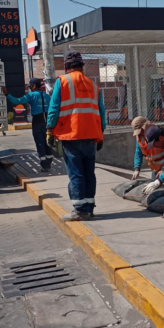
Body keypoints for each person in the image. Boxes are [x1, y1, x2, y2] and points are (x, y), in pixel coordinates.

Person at [46, 50, 106, 221]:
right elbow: (101, 112)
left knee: (76, 174)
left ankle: (79, 210)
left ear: (66, 67)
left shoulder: (62, 81)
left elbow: (54, 106)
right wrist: (101, 134)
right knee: (89, 173)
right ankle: (89, 208)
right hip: (91, 135)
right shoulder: (93, 85)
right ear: (82, 66)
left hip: (71, 135)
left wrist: (50, 129)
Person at [3, 78, 53, 172]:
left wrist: (7, 94)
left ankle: (44, 166)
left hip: (37, 121)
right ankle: (49, 162)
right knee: (48, 143)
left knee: (40, 143)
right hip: (48, 121)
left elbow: (17, 101)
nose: (29, 88)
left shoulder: (31, 95)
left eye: (30, 86)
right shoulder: (47, 96)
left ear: (34, 86)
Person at [130, 116, 164, 184]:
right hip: (154, 168)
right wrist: (137, 168)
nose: (140, 133)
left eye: (141, 131)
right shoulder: (139, 138)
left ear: (145, 127)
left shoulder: (157, 133)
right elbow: (138, 153)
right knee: (155, 189)